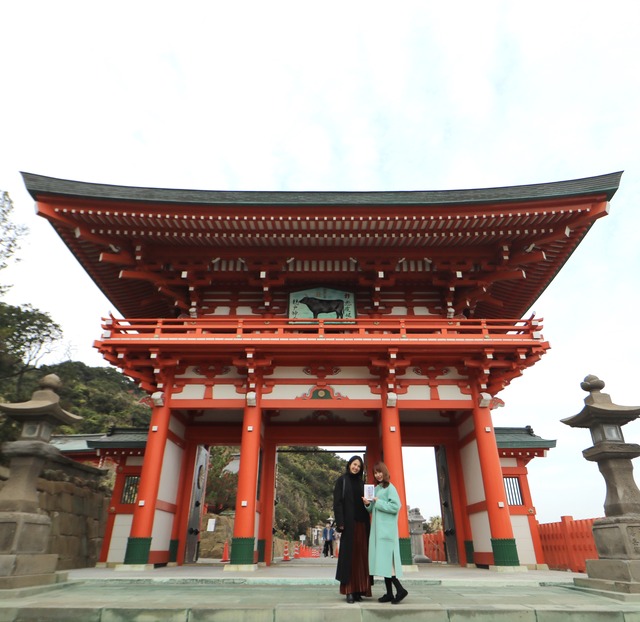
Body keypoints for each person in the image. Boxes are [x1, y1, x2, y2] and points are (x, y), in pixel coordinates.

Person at [363, 461, 408, 604]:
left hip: (387, 531)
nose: (378, 475)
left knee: (389, 564)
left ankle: (400, 590)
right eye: (375, 473)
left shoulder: (390, 488)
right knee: (383, 563)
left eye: (379, 472)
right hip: (378, 531)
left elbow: (396, 506)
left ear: (384, 472)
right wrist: (368, 504)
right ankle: (389, 593)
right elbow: (372, 510)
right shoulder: (376, 489)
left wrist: (379, 502)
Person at [333, 455, 372, 603]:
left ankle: (360, 589)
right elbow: (337, 503)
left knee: (362, 557)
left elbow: (368, 505)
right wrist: (340, 523)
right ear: (349, 464)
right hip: (349, 524)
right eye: (354, 464)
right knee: (350, 557)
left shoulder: (363, 484)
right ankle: (349, 590)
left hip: (363, 524)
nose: (356, 467)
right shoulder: (342, 481)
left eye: (359, 466)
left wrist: (368, 504)